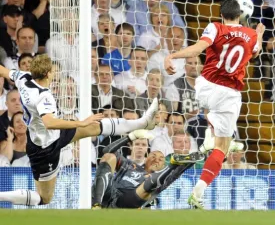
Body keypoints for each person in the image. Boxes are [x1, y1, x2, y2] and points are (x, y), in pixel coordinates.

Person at [0, 54, 158, 206]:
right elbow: (49, 122)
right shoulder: (43, 95)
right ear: (48, 73)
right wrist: (80, 123)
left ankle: (142, 122)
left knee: (95, 127)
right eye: (53, 71)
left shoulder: (23, 77)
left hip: (49, 136)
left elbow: (3, 71)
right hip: (46, 148)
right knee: (44, 198)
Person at [164, 0, 265, 208]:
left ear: (221, 15)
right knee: (222, 149)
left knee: (213, 114)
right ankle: (198, 193)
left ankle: (211, 129)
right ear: (241, 16)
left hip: (204, 86)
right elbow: (257, 51)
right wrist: (260, 33)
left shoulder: (215, 27)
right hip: (229, 93)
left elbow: (197, 49)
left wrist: (173, 55)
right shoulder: (251, 35)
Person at [91, 129, 204, 209]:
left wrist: (204, 150)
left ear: (163, 165)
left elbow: (184, 166)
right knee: (109, 156)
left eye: (161, 159)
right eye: (153, 156)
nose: (157, 159)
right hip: (109, 194)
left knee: (153, 184)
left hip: (129, 201)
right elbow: (106, 151)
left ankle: (173, 164)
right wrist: (130, 137)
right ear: (146, 159)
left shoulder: (163, 179)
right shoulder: (130, 165)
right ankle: (96, 204)